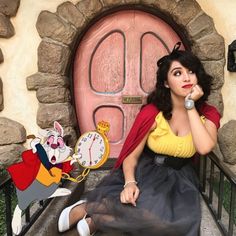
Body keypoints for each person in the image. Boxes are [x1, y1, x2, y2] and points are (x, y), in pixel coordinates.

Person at [58, 42, 220, 236]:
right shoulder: (153, 113)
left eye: (191, 72)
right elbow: (131, 156)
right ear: (166, 83)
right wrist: (130, 183)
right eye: (177, 73)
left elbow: (204, 147)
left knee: (173, 226)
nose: (186, 78)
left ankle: (96, 217)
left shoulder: (207, 114)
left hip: (180, 179)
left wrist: (190, 106)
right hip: (147, 171)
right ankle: (86, 209)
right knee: (137, 203)